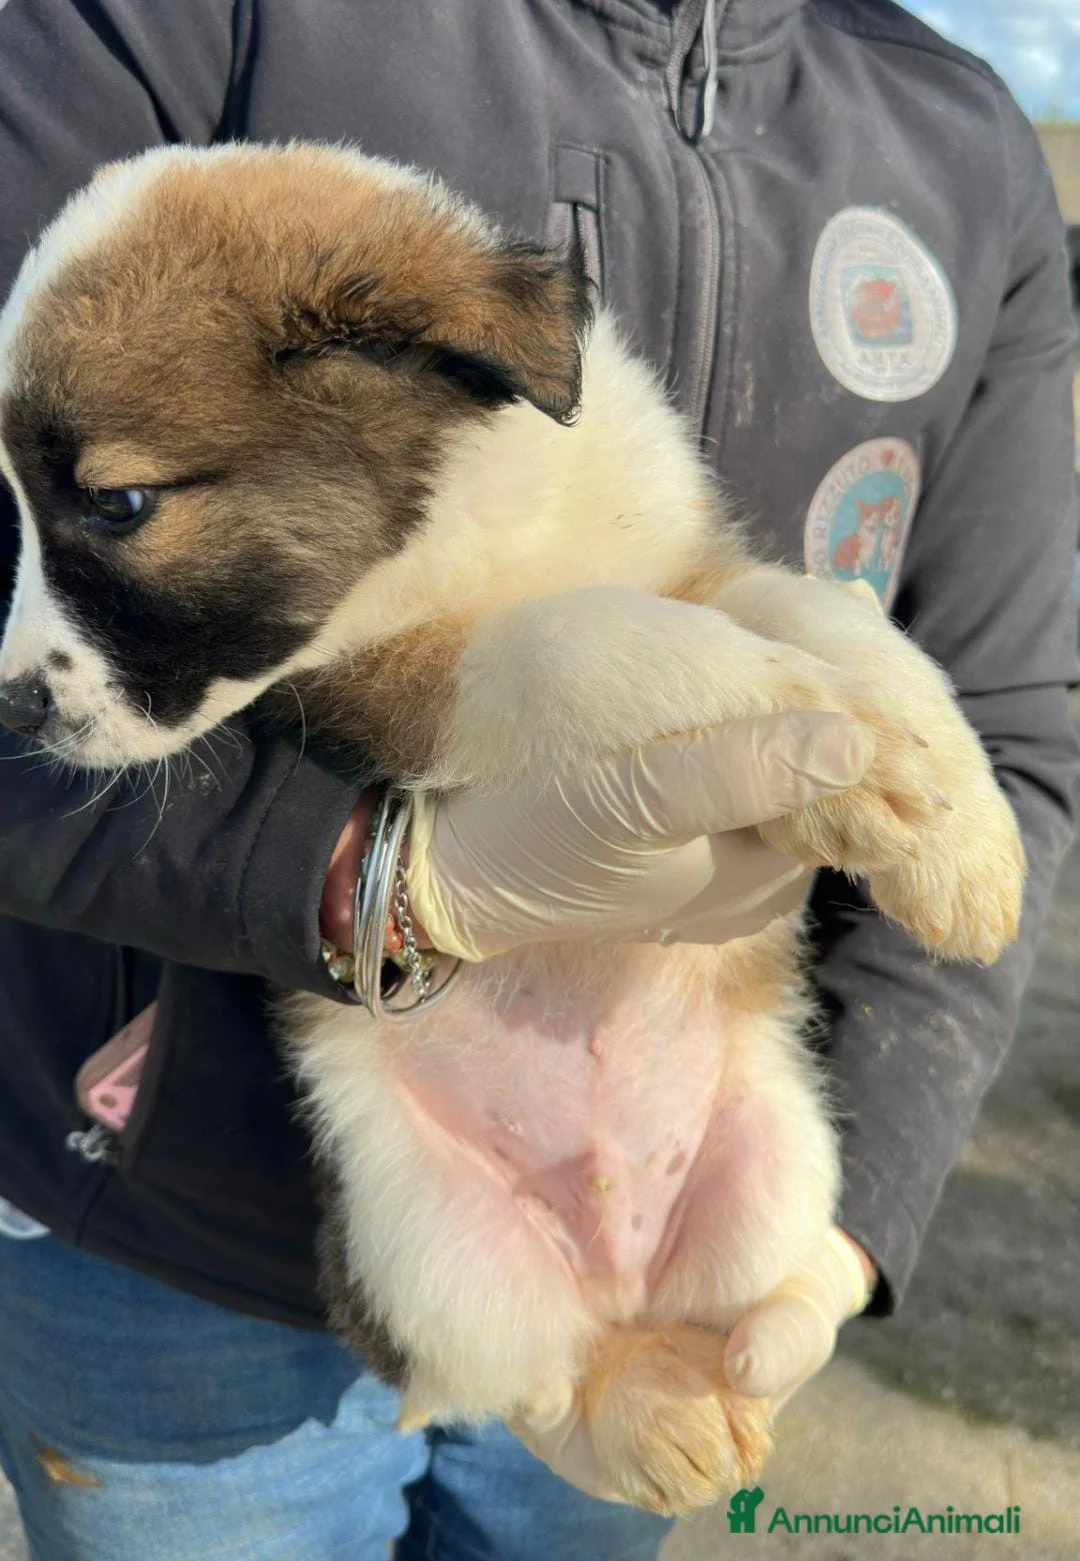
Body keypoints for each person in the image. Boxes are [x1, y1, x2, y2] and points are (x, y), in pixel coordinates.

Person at [0, 1, 1076, 1557]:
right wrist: (387, 877)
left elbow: (1005, 716)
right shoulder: (159, 25)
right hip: (165, 1255)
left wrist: (840, 1227)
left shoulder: (955, 134)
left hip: (677, 1130)